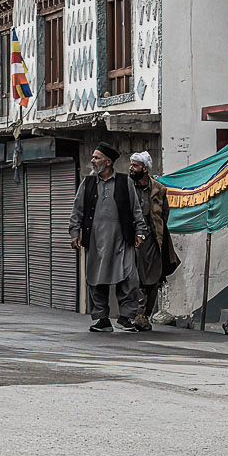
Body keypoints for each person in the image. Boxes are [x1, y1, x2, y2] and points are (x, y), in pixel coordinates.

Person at [70, 142, 148, 332]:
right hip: (96, 242)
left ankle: (125, 318)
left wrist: (140, 231)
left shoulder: (125, 182)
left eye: (97, 158)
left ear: (108, 162)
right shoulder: (88, 183)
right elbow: (77, 210)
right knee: (95, 280)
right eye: (93, 157)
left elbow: (136, 209)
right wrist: (75, 232)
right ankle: (102, 320)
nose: (93, 161)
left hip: (122, 241)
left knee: (129, 279)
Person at [125, 153, 170, 332]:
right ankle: (136, 313)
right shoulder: (127, 187)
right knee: (134, 278)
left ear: (144, 168)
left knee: (153, 278)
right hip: (131, 238)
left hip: (151, 240)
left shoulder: (159, 189)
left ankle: (144, 315)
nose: (131, 168)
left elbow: (164, 215)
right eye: (131, 165)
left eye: (135, 165)